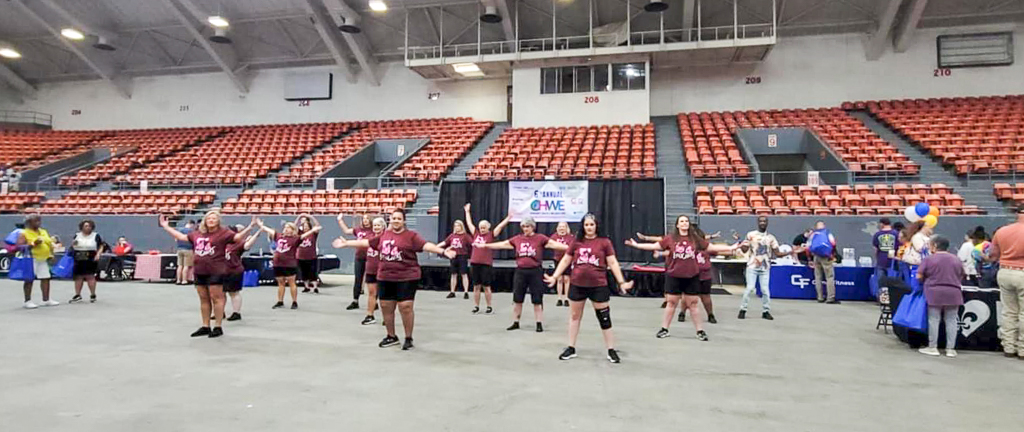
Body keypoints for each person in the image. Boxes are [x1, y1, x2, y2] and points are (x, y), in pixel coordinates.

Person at [335, 209, 456, 350]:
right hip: (385, 276)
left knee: (405, 307)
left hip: (407, 276)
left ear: (404, 221)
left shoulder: (411, 236)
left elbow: (425, 245)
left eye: (399, 218)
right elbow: (366, 243)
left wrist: (442, 251)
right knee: (386, 307)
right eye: (394, 218)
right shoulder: (384, 235)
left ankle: (408, 337)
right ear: (390, 220)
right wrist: (347, 243)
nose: (396, 221)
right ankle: (391, 336)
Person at [626, 215, 742, 341]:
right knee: (671, 303)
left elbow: (712, 248)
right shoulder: (671, 238)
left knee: (693, 304)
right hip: (674, 276)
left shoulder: (695, 239)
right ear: (677, 225)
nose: (684, 223)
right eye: (682, 221)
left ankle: (700, 331)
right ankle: (664, 329)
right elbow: (655, 246)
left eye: (686, 221)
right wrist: (637, 245)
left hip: (691, 276)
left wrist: (731, 248)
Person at [545, 214, 634, 363]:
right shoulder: (576, 242)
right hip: (577, 285)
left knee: (604, 318)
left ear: (596, 226)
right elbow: (566, 260)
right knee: (574, 317)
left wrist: (621, 282)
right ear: (583, 226)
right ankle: (571, 348)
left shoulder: (604, 242)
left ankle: (611, 350)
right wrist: (554, 276)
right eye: (586, 225)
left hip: (598, 286)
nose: (589, 227)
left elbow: (612, 262)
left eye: (592, 225)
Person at [159, 212, 255, 338]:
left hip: (216, 271)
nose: (211, 220)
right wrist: (166, 227)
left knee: (217, 299)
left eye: (214, 218)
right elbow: (182, 237)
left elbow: (237, 238)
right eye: (209, 218)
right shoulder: (197, 234)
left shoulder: (224, 233)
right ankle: (205, 325)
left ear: (218, 221)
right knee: (203, 299)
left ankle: (218, 326)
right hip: (200, 271)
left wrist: (250, 226)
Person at [481, 216, 569, 333]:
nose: (525, 229)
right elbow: (502, 244)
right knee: (518, 298)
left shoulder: (540, 238)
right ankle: (516, 322)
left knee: (537, 299)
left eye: (527, 226)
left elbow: (555, 244)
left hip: (535, 271)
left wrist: (572, 248)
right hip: (521, 271)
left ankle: (539, 323)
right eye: (523, 226)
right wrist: (486, 246)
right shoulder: (517, 239)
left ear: (532, 227)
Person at [984, 204, 1024, 359]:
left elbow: (993, 255)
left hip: (1005, 271)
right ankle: (1022, 349)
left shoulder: (1002, 231)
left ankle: (1008, 347)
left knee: (1008, 312)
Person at [917, 235, 964, 358]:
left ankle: (933, 347)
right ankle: (951, 349)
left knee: (934, 320)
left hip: (934, 292)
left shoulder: (929, 259)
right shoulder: (956, 259)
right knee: (952, 321)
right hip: (954, 292)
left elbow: (919, 276)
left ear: (935, 246)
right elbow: (962, 275)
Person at [738, 216, 794, 320]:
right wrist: (741, 244)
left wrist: (791, 251)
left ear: (767, 223)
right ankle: (743, 309)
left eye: (764, 221)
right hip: (752, 266)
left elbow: (777, 253)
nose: (762, 223)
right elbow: (745, 250)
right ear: (758, 223)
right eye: (761, 221)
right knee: (749, 288)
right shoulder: (751, 235)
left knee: (765, 290)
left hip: (765, 267)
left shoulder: (771, 238)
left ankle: (766, 311)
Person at [258, 220, 318, 310]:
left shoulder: (295, 238)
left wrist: (313, 230)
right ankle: (280, 301)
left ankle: (294, 302)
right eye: (285, 227)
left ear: (293, 230)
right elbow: (269, 230)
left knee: (291, 283)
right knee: (281, 283)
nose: (285, 229)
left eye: (288, 228)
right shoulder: (279, 236)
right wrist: (261, 225)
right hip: (278, 264)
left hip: (289, 264)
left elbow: (304, 235)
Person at [464, 204, 511, 315]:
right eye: (481, 227)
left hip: (486, 264)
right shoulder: (475, 233)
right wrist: (467, 212)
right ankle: (476, 306)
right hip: (475, 263)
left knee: (486, 286)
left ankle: (489, 306)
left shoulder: (491, 235)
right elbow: (469, 223)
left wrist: (508, 218)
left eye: (484, 227)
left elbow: (500, 227)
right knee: (476, 286)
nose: (482, 229)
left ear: (488, 228)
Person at [17, 214, 58, 309]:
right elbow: (19, 247)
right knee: (29, 279)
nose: (38, 223)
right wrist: (33, 244)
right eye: (36, 221)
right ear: (29, 223)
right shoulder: (24, 233)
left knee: (46, 278)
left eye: (39, 221)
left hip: (43, 259)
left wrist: (51, 255)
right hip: (31, 259)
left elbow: (49, 244)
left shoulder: (43, 232)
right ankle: (27, 301)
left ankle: (46, 300)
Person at [223, 224, 260, 321]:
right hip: (222, 270)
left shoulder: (238, 243)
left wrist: (256, 234)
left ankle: (236, 312)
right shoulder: (222, 243)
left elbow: (247, 245)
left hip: (234, 270)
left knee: (234, 292)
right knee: (220, 293)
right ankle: (220, 311)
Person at [338, 214, 374, 311]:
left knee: (372, 281)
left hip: (371, 257)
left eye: (367, 219)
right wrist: (340, 220)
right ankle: (355, 300)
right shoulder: (358, 230)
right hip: (359, 257)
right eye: (364, 219)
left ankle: (374, 302)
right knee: (358, 278)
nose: (365, 220)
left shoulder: (374, 230)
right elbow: (346, 231)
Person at [68, 220, 106, 304]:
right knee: (78, 276)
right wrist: (74, 244)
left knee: (90, 276)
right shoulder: (77, 235)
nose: (87, 227)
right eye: (85, 226)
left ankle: (92, 295)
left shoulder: (96, 235)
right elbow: (73, 246)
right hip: (79, 256)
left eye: (89, 226)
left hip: (90, 256)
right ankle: (77, 295)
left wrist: (98, 254)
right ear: (81, 227)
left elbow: (101, 246)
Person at [359, 217, 387, 325]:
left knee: (384, 295)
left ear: (383, 226)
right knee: (371, 293)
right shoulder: (370, 238)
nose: (376, 227)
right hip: (370, 269)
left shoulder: (385, 238)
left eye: (378, 225)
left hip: (382, 270)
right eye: (374, 225)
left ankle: (387, 317)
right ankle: (370, 315)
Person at [437, 220, 472, 300]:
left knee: (464, 274)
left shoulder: (465, 236)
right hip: (453, 256)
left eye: (458, 226)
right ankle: (452, 292)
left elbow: (472, 243)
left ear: (461, 226)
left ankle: (466, 292)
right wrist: (436, 247)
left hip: (462, 256)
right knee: (453, 274)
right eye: (455, 226)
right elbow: (444, 242)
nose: (456, 227)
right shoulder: (452, 235)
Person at [809, 221, 839, 304]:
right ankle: (830, 298)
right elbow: (833, 243)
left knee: (818, 277)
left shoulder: (813, 234)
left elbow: (809, 246)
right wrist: (832, 254)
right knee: (829, 277)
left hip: (816, 257)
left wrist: (810, 258)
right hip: (826, 256)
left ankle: (820, 297)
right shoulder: (827, 233)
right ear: (824, 226)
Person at [901, 221, 933, 291]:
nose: (929, 228)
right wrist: (929, 245)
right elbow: (919, 248)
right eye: (927, 226)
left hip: (926, 262)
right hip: (918, 262)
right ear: (923, 227)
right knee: (917, 285)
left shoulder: (927, 237)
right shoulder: (917, 237)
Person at [295, 215, 323, 294]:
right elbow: (293, 227)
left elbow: (317, 226)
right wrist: (299, 217)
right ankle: (306, 287)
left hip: (311, 256)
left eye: (307, 226)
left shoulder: (313, 234)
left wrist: (311, 217)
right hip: (301, 257)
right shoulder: (299, 234)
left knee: (313, 273)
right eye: (304, 226)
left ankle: (315, 287)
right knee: (304, 272)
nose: (306, 227)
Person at [549, 221, 575, 307]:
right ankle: (559, 298)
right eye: (560, 226)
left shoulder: (571, 237)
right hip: (557, 259)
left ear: (566, 228)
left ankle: (567, 298)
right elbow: (550, 245)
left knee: (567, 279)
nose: (561, 228)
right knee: (559, 279)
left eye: (563, 226)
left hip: (567, 260)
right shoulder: (554, 236)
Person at [176, 220, 195, 285]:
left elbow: (176, 239)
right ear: (191, 225)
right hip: (188, 249)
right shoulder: (191, 231)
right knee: (186, 266)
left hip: (179, 249)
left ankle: (178, 280)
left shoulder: (179, 230)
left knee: (180, 265)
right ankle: (184, 280)